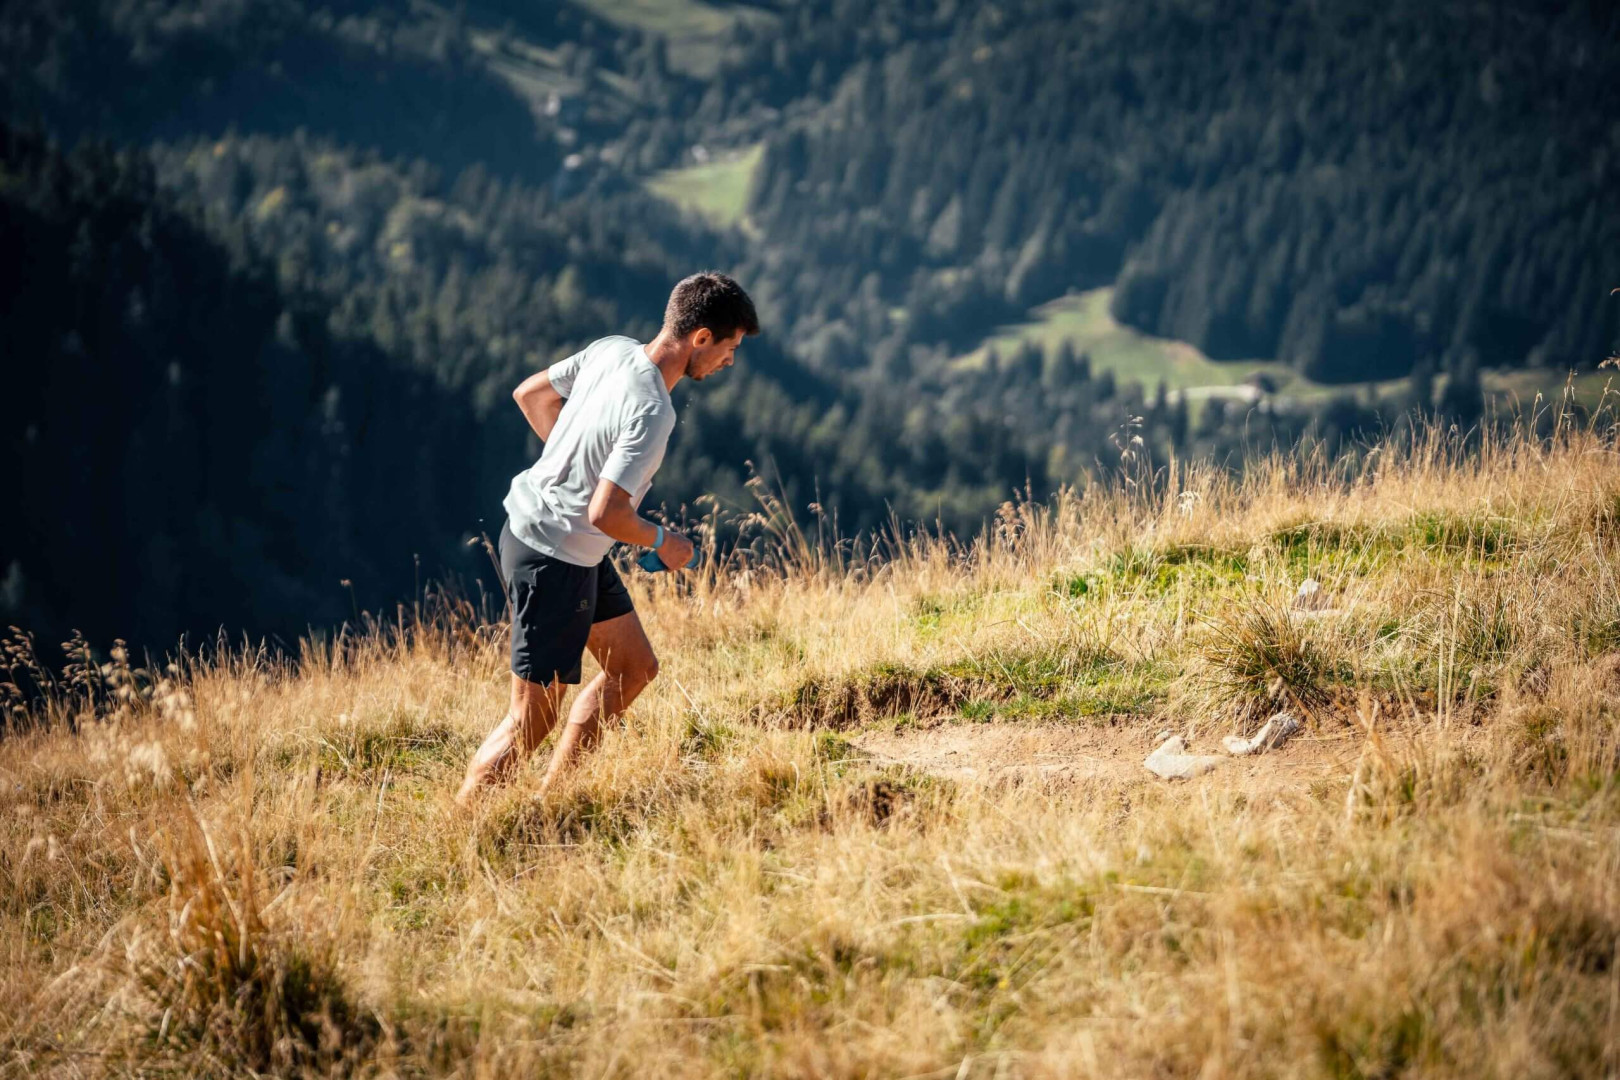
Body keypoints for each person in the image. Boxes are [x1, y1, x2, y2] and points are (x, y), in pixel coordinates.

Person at [456, 272, 759, 804]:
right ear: (702, 338)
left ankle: (551, 802)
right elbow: (605, 512)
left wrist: (575, 463)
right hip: (554, 554)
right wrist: (663, 540)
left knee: (634, 668)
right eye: (729, 349)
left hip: (554, 541)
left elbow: (530, 395)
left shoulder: (612, 350)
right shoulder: (653, 411)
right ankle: (458, 831)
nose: (729, 363)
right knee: (531, 720)